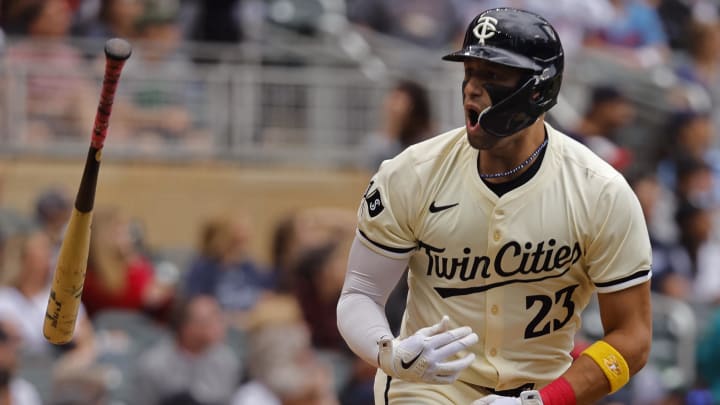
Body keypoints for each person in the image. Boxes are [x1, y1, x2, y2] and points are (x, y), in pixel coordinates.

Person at [336, 7, 653, 405]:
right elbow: (360, 292)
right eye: (469, 73)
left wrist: (544, 402)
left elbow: (633, 338)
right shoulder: (411, 173)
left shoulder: (600, 191)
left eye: (493, 76)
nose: (471, 88)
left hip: (543, 390)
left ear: (540, 89)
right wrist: (390, 352)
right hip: (429, 383)